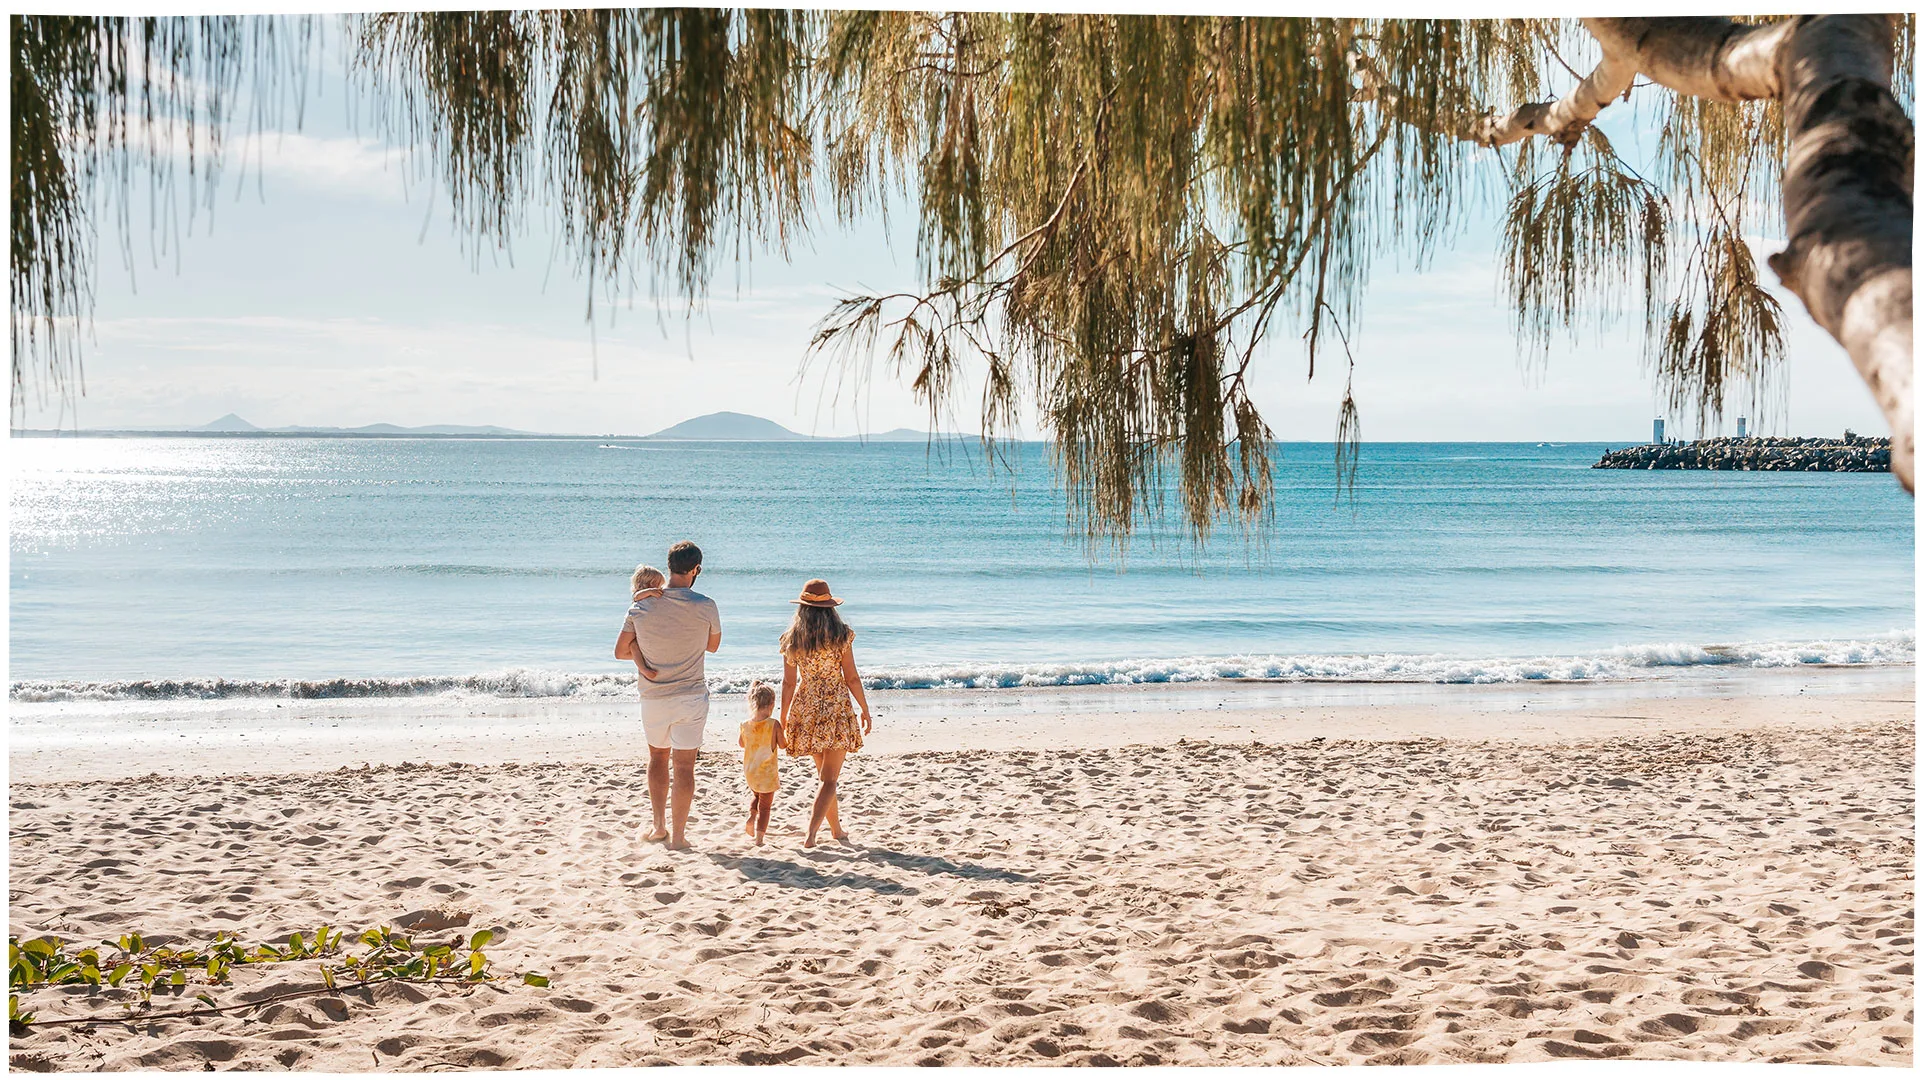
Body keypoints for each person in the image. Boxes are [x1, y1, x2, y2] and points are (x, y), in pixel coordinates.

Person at [614, 541, 721, 850]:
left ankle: (659, 827)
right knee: (685, 766)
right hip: (690, 695)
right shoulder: (706, 605)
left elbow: (620, 651)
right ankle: (679, 836)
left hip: (654, 697)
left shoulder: (641, 605)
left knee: (657, 758)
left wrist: (639, 652)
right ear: (696, 569)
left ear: (670, 566)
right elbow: (712, 647)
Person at [778, 579, 873, 848]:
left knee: (824, 777)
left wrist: (784, 717)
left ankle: (837, 830)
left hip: (806, 707)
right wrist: (864, 709)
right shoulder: (842, 635)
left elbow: (787, 683)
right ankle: (811, 834)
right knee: (829, 779)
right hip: (836, 708)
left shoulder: (792, 639)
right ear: (831, 607)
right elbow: (852, 677)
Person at [738, 682, 781, 847]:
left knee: (756, 796)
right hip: (767, 773)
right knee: (766, 807)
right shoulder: (773, 724)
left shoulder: (745, 725)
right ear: (771, 704)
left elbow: (742, 743)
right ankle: (760, 839)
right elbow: (783, 744)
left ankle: (751, 817)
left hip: (750, 771)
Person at [626, 565, 666, 681]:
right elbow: (636, 596)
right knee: (633, 645)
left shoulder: (653, 596)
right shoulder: (641, 596)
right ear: (650, 584)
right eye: (659, 585)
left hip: (650, 632)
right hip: (642, 635)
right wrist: (650, 592)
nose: (660, 588)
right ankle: (644, 669)